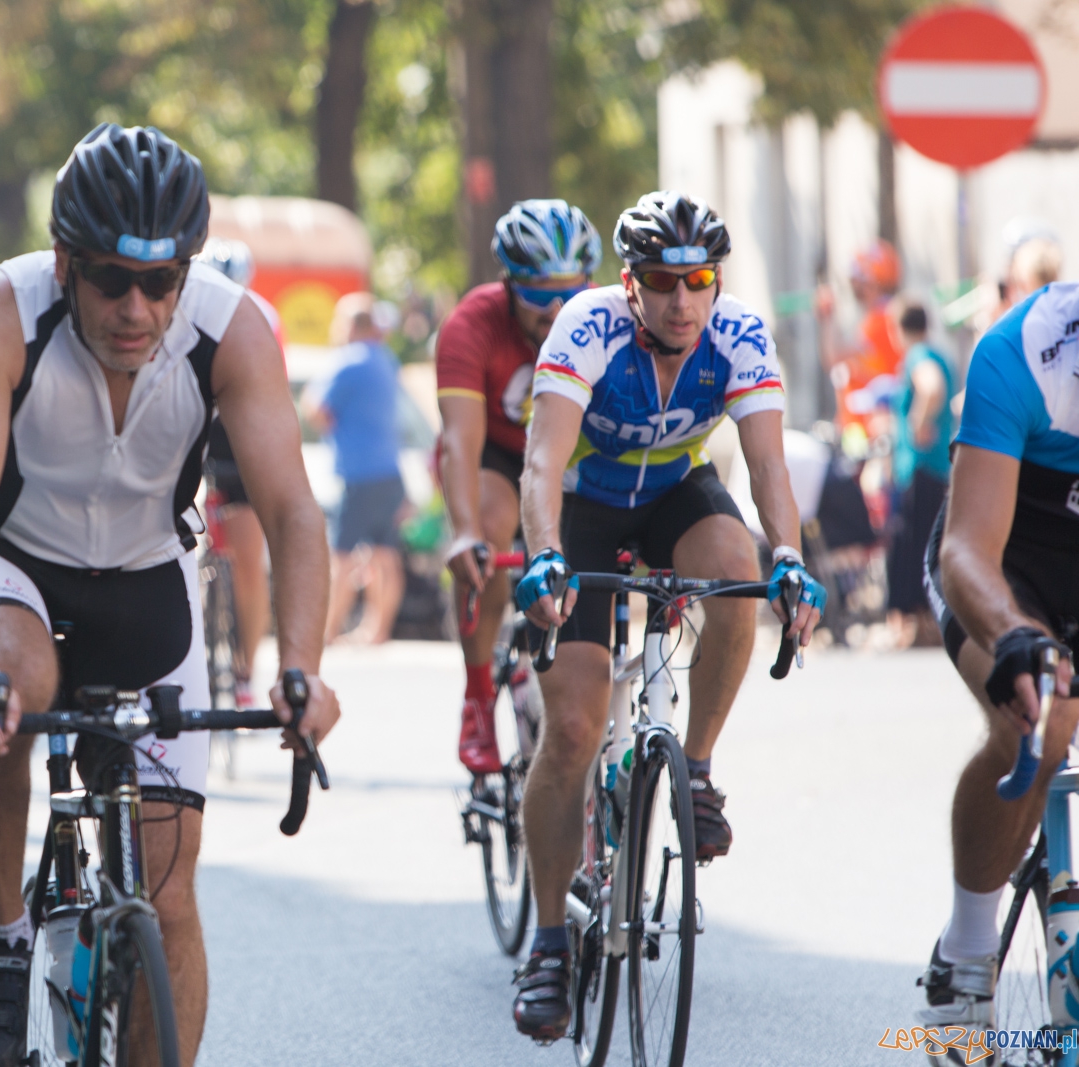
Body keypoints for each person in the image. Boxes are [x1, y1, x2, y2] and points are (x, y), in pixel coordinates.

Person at [0, 123, 339, 1067]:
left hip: (148, 577)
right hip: (16, 564)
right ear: (65, 261)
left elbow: (293, 512)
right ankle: (1, 935)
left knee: (169, 891)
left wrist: (302, 666)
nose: (139, 307)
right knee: (7, 688)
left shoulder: (231, 328)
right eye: (113, 279)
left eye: (163, 280)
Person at [509, 191, 824, 1040]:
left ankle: (695, 764)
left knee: (739, 569)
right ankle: (546, 938)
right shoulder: (586, 327)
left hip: (673, 494)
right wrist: (542, 551)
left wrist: (791, 555)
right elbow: (540, 462)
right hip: (581, 507)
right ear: (629, 282)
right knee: (572, 730)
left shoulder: (741, 335)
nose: (683, 300)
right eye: (661, 281)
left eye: (699, 280)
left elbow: (767, 468)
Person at [915, 279, 1079, 1060]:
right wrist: (1015, 634)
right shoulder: (1023, 351)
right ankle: (968, 952)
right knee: (1040, 722)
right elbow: (968, 551)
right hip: (1006, 558)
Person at [436, 198, 600, 774]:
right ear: (508, 284)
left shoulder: (606, 321)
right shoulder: (471, 324)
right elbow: (459, 439)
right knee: (487, 531)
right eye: (537, 295)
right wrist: (462, 535)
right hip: (498, 455)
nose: (556, 310)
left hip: (575, 458)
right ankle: (478, 693)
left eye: (569, 293)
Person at [195, 236, 283, 707]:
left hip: (241, 433)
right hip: (200, 425)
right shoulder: (185, 309)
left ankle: (247, 667)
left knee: (249, 560)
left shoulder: (263, 318)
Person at [304, 291, 406, 644]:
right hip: (390, 472)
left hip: (359, 474)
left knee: (343, 556)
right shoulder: (386, 359)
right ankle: (377, 630)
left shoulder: (346, 361)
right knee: (384, 555)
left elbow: (316, 408)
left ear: (351, 325)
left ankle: (327, 631)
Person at [886, 302, 954, 646]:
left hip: (921, 467)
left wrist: (917, 423)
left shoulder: (918, 355)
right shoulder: (941, 353)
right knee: (929, 544)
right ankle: (928, 623)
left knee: (911, 546)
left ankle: (914, 623)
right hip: (938, 467)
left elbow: (931, 386)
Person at [819, 239, 903, 443]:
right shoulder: (880, 316)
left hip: (874, 431)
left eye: (859, 278)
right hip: (866, 430)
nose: (854, 285)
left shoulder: (881, 319)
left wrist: (827, 317)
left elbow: (834, 358)